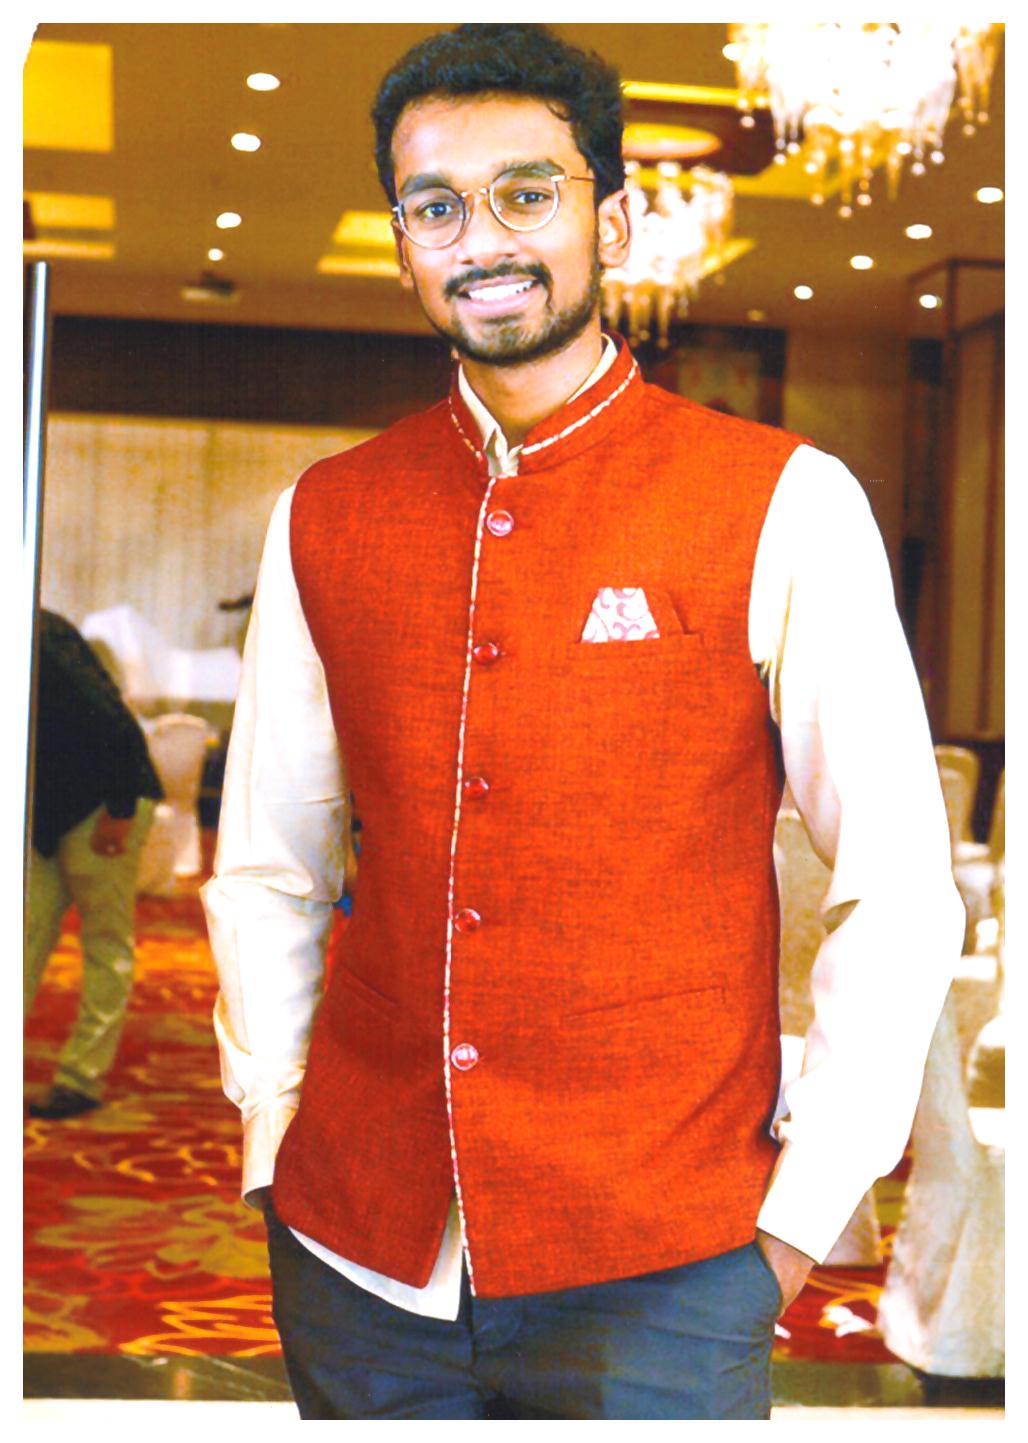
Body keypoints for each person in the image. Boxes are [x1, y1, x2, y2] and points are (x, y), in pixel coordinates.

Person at [201, 23, 964, 1419]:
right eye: (436, 205)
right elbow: (269, 865)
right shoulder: (327, 511)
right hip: (360, 1253)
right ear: (402, 242)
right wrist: (276, 1136)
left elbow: (900, 884)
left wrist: (795, 1220)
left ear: (609, 220)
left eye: (525, 192)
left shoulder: (782, 499)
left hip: (669, 1263)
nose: (481, 238)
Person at [26, 609, 162, 1120]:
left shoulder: (40, 635)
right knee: (23, 934)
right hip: (51, 815)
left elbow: (116, 724)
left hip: (106, 805)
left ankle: (81, 1079)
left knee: (105, 941)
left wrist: (120, 811)